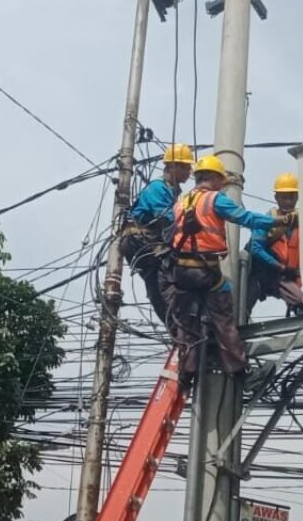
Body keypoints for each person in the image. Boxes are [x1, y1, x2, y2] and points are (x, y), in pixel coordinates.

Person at [169, 154, 291, 383]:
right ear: (214, 178)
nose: (222, 185)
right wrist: (277, 222)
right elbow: (244, 218)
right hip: (205, 271)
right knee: (224, 318)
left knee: (187, 322)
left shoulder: (181, 202)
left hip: (181, 271)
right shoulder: (215, 199)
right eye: (221, 180)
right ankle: (238, 371)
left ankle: (187, 372)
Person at [120, 143, 194, 325]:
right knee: (167, 276)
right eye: (185, 167)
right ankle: (179, 323)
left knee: (160, 282)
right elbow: (167, 219)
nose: (189, 171)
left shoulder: (171, 192)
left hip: (146, 242)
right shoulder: (158, 188)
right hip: (139, 240)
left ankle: (176, 323)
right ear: (172, 166)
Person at [246, 172, 303, 319]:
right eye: (283, 197)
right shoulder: (267, 220)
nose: (287, 201)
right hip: (263, 275)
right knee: (241, 310)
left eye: (291, 197)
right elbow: (255, 248)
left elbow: (297, 259)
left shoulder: (302, 222)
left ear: (297, 197)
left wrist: (296, 284)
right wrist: (280, 267)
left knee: (301, 301)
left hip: (283, 276)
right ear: (276, 198)